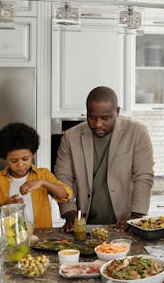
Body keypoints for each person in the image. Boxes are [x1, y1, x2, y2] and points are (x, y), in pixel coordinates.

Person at [55, 86, 154, 232]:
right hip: (86, 224)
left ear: (117, 112)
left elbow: (144, 176)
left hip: (124, 222)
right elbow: (63, 178)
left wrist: (136, 216)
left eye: (105, 118)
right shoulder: (70, 137)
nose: (97, 124)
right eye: (92, 117)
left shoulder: (137, 132)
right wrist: (70, 212)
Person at [0, 122, 73, 229]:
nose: (20, 165)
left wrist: (43, 182)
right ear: (5, 158)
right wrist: (5, 207)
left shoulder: (42, 174)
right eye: (13, 161)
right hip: (9, 236)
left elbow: (66, 195)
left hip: (40, 235)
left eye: (25, 159)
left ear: (33, 154)